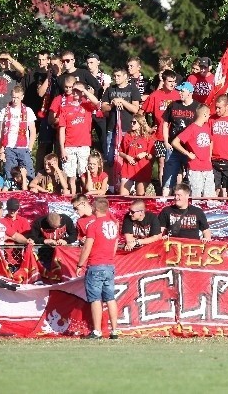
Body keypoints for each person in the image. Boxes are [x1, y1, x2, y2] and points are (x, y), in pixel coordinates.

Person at [76, 197, 120, 339]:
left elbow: (87, 246)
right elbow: (114, 245)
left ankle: (97, 331)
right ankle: (114, 331)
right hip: (109, 264)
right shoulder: (113, 225)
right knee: (110, 298)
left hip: (96, 264)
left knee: (96, 299)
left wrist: (80, 264)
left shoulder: (93, 225)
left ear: (95, 209)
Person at [58, 81, 101, 194]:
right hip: (69, 146)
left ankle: (86, 196)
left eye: (79, 90)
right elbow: (62, 129)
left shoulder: (87, 105)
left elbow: (98, 104)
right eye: (74, 89)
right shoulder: (65, 107)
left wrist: (84, 91)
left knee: (84, 173)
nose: (76, 92)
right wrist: (62, 149)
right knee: (70, 175)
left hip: (84, 144)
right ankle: (72, 197)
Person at [142, 70, 180, 191]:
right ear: (163, 81)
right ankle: (164, 189)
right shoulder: (155, 95)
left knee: (178, 166)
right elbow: (140, 113)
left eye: (174, 81)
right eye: (169, 81)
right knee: (162, 163)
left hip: (176, 136)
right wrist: (147, 127)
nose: (172, 84)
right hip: (159, 136)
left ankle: (177, 191)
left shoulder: (178, 95)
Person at [161, 82, 199, 196]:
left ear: (190, 93)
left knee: (191, 180)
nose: (180, 93)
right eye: (180, 91)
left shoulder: (197, 107)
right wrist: (166, 141)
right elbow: (165, 123)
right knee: (167, 180)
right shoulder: (173, 105)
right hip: (174, 148)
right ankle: (164, 203)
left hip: (190, 149)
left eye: (183, 91)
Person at [172, 103, 215, 198]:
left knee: (210, 196)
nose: (209, 116)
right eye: (208, 114)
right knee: (196, 196)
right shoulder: (191, 128)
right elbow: (175, 142)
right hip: (195, 168)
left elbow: (211, 141)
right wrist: (187, 153)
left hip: (207, 167)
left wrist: (209, 156)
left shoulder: (206, 127)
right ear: (204, 114)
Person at [0, 85, 37, 182]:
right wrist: (2, 150)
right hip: (9, 147)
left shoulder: (28, 111)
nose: (15, 100)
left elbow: (33, 131)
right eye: (13, 97)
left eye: (18, 97)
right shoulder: (4, 111)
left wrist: (30, 148)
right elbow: (1, 132)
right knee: (10, 174)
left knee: (29, 173)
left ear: (22, 97)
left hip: (24, 147)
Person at [0, 51, 25, 148]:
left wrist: (10, 58)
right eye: (1, 59)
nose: (3, 62)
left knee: (11, 143)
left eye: (5, 60)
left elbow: (22, 70)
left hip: (11, 113)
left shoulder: (14, 74)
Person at [118, 113, 154, 196]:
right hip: (128, 167)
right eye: (131, 122)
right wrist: (127, 156)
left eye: (134, 122)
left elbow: (151, 156)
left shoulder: (148, 137)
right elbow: (120, 152)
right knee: (123, 196)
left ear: (140, 123)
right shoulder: (127, 135)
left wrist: (145, 154)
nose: (132, 124)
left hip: (141, 168)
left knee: (140, 195)